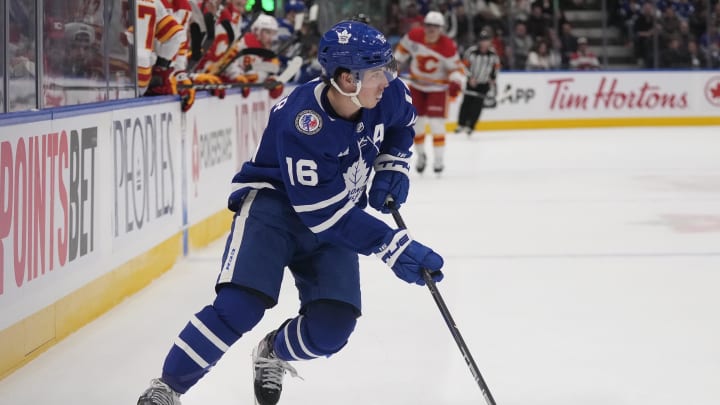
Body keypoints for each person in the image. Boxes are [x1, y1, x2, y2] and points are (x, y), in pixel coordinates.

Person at [136, 19, 445, 405]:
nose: (389, 80)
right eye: (378, 73)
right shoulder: (304, 124)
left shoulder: (387, 94)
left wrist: (393, 164)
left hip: (336, 213)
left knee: (334, 326)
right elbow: (323, 214)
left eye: (388, 68)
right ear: (347, 80)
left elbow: (403, 124)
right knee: (239, 307)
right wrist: (392, 246)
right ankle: (167, 387)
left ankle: (273, 353)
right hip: (275, 211)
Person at [394, 10, 465, 174]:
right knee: (416, 125)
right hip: (417, 86)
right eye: (429, 25)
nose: (431, 29)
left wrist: (455, 80)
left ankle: (439, 160)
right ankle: (421, 156)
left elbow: (456, 69)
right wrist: (394, 68)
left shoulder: (447, 46)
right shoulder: (414, 36)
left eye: (435, 26)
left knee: (436, 125)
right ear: (424, 25)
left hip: (438, 89)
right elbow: (400, 54)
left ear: (441, 28)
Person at [456, 30, 500, 136]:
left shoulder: (493, 54)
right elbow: (463, 66)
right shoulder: (471, 52)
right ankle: (461, 124)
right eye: (482, 40)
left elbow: (496, 67)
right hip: (471, 82)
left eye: (486, 40)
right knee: (466, 103)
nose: (484, 43)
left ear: (490, 42)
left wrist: (493, 79)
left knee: (478, 106)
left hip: (484, 84)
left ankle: (471, 126)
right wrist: (470, 78)